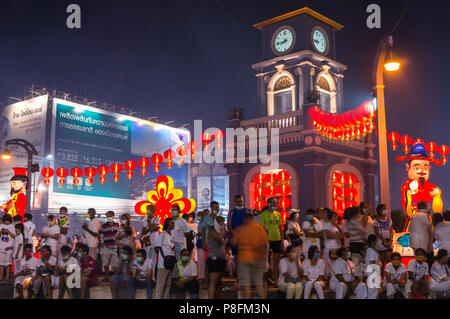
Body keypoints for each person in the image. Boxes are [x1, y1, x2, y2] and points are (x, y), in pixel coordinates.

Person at [231, 212, 268, 299]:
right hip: (258, 258)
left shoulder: (240, 229)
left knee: (246, 284)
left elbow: (234, 243)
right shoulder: (260, 229)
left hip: (244, 259)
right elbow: (265, 244)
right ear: (252, 218)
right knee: (259, 283)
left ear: (244, 219)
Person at [259, 197, 284, 287]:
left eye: (276, 202)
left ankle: (276, 280)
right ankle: (266, 280)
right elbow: (262, 228)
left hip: (277, 240)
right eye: (273, 202)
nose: (275, 204)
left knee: (276, 261)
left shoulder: (278, 214)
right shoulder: (264, 214)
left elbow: (281, 228)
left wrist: (282, 241)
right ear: (269, 204)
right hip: (268, 240)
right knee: (267, 262)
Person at [154, 218, 175, 299]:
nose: (173, 224)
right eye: (172, 223)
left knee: (167, 285)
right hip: (163, 264)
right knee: (160, 286)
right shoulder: (163, 234)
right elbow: (156, 247)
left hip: (170, 263)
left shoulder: (171, 235)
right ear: (167, 224)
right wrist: (163, 257)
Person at [206, 215, 227, 299]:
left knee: (218, 283)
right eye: (222, 223)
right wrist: (220, 229)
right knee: (213, 283)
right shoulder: (212, 231)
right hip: (213, 259)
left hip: (221, 259)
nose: (223, 225)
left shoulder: (221, 231)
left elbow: (224, 235)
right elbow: (220, 239)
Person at [409, 202, 434, 267]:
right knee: (423, 259)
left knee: (417, 258)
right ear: (426, 207)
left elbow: (410, 229)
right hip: (423, 241)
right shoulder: (424, 216)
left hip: (414, 241)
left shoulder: (413, 215)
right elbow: (429, 229)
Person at [322, 210, 344, 277]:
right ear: (330, 217)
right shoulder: (327, 225)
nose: (336, 218)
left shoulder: (337, 226)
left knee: (336, 265)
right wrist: (337, 235)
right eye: (334, 216)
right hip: (329, 247)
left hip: (336, 247)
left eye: (336, 216)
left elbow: (341, 236)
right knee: (330, 265)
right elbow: (328, 235)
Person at [99, 211, 120, 282]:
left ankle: (115, 278)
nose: (109, 217)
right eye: (107, 216)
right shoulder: (103, 226)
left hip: (114, 246)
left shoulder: (117, 225)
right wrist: (100, 243)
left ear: (113, 216)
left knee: (115, 263)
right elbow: (98, 234)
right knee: (106, 263)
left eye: (110, 216)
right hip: (106, 246)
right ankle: (107, 277)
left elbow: (120, 234)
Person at [373, 204, 394, 274]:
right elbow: (377, 232)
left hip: (388, 243)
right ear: (379, 210)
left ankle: (388, 275)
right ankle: (382, 277)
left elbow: (391, 230)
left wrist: (390, 240)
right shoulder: (376, 220)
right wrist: (384, 240)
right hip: (380, 243)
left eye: (386, 208)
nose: (385, 210)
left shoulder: (389, 219)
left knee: (389, 260)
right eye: (383, 209)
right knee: (381, 262)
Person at [0, 214, 16, 281]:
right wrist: (1, 232)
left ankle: (7, 277)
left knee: (8, 263)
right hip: (1, 247)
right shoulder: (1, 226)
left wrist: (8, 231)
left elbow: (14, 236)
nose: (7, 222)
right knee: (1, 264)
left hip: (9, 247)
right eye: (5, 220)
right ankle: (1, 277)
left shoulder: (12, 226)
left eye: (8, 220)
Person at [365, 234, 381, 299]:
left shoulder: (370, 250)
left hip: (373, 275)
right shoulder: (371, 251)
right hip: (373, 275)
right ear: (373, 242)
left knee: (374, 293)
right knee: (373, 294)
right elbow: (372, 264)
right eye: (376, 241)